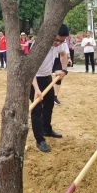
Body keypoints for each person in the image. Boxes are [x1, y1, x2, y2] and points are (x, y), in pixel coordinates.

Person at [30, 24, 69, 153]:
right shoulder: (39, 46)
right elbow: (31, 71)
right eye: (56, 40)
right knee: (37, 109)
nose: (58, 43)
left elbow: (63, 55)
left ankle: (47, 129)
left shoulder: (61, 43)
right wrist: (36, 89)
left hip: (47, 77)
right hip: (34, 79)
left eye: (61, 41)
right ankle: (39, 139)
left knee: (49, 104)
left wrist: (64, 70)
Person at [52, 40, 70, 105]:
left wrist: (69, 58)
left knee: (59, 76)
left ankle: (55, 96)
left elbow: (65, 48)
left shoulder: (63, 39)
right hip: (49, 58)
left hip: (58, 58)